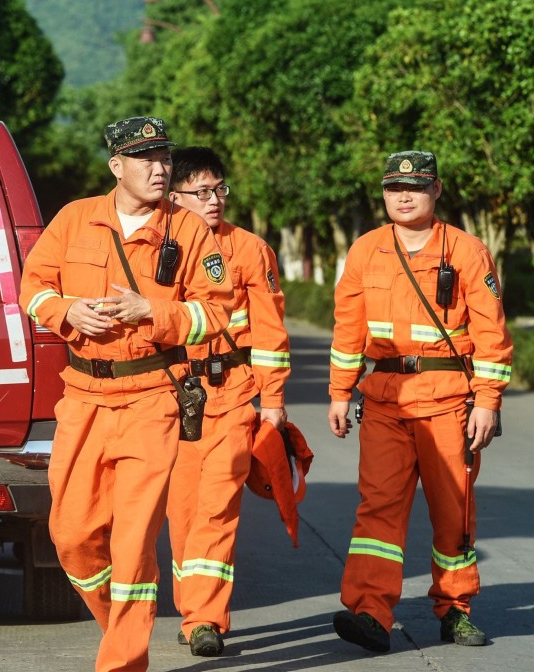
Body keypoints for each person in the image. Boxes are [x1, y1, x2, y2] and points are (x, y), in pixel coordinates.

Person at [19, 117, 234, 672]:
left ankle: (123, 662)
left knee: (134, 541)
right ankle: (120, 620)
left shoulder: (190, 231)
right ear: (117, 166)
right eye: (146, 159)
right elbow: (32, 288)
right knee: (71, 537)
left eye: (164, 157)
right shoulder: (74, 219)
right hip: (82, 397)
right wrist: (66, 310)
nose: (160, 168)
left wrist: (151, 312)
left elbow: (215, 312)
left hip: (151, 397)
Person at [327, 151, 513, 652]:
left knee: (453, 512)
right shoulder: (366, 250)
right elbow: (348, 330)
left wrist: (488, 400)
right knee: (377, 510)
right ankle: (370, 612)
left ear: (436, 190)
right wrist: (340, 391)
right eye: (394, 188)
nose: (403, 196)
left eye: (414, 187)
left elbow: (491, 333)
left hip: (449, 402)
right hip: (385, 401)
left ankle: (455, 609)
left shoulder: (467, 251)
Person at [164, 147, 291, 657]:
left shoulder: (250, 249)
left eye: (219, 189)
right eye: (201, 192)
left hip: (233, 394)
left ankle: (205, 619)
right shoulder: (158, 248)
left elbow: (270, 332)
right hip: (174, 398)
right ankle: (191, 610)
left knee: (218, 508)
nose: (214, 200)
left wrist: (272, 401)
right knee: (183, 513)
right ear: (174, 197)